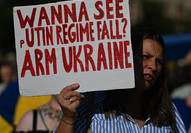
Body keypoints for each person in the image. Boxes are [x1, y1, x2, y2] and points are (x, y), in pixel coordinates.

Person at [54, 28, 186, 133]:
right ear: (126, 57)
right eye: (145, 56)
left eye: (159, 62)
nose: (153, 66)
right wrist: (68, 118)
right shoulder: (90, 104)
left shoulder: (168, 112)